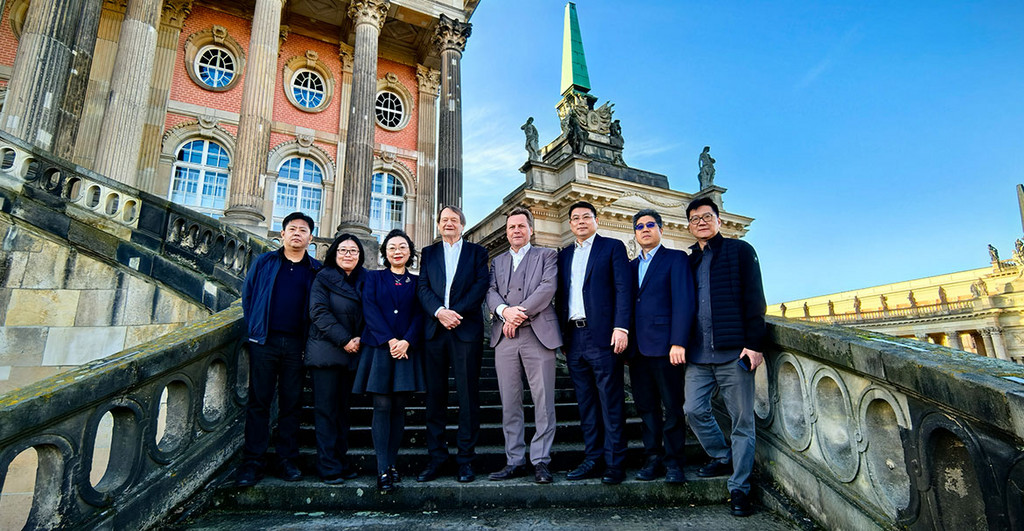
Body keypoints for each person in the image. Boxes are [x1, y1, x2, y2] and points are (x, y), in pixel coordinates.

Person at [682, 197, 766, 517]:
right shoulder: (689, 260)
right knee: (693, 409)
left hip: (734, 354)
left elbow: (754, 298)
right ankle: (721, 454)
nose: (701, 222)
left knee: (742, 422)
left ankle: (739, 487)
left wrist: (754, 344)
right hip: (698, 355)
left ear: (719, 220)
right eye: (695, 219)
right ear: (689, 226)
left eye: (707, 217)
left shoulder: (740, 250)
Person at [236, 212, 322, 487]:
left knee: (291, 404)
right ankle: (253, 463)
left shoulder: (316, 270)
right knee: (259, 402)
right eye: (292, 229)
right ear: (282, 234)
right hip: (265, 342)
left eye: (303, 230)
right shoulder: (265, 262)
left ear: (310, 238)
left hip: (297, 344)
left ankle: (287, 460)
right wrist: (255, 328)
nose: (297, 233)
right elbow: (248, 297)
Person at [556, 200, 632, 485]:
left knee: (610, 401)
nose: (581, 222)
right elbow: (560, 296)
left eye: (586, 217)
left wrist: (621, 327)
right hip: (573, 337)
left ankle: (615, 463)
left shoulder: (612, 247)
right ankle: (593, 459)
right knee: (586, 403)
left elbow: (623, 289)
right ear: (570, 224)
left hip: (603, 336)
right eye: (575, 218)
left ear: (596, 220)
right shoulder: (564, 255)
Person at [485, 207, 562, 484]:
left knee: (543, 401)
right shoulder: (497, 261)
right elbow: (490, 291)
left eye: (521, 226)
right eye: (511, 227)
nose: (516, 230)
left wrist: (518, 315)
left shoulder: (547, 255)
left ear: (531, 229)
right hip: (505, 338)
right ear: (506, 232)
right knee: (510, 401)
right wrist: (504, 312)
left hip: (538, 335)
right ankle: (514, 459)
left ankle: (541, 460)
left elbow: (547, 287)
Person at [416, 205, 489, 483]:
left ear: (462, 225)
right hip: (434, 331)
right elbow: (422, 287)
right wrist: (439, 312)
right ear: (438, 225)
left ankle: (466, 460)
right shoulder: (429, 253)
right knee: (435, 397)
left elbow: (480, 286)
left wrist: (453, 313)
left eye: (454, 220)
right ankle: (436, 458)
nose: (449, 223)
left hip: (465, 330)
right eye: (444, 219)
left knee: (467, 397)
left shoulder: (477, 252)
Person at [351, 229, 424, 493]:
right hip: (380, 348)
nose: (397, 251)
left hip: (406, 349)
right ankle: (382, 468)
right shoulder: (373, 278)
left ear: (410, 252)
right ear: (385, 252)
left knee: (399, 408)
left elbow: (420, 315)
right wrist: (390, 340)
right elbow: (369, 309)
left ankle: (392, 464)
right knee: (381, 406)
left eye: (402, 247)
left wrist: (407, 341)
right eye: (392, 247)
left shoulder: (417, 282)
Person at [629, 209, 695, 484]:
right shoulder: (630, 266)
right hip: (637, 350)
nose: (645, 229)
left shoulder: (676, 259)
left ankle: (674, 463)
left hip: (667, 348)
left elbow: (684, 301)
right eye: (640, 226)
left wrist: (678, 341)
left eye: (650, 225)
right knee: (646, 408)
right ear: (635, 233)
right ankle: (653, 459)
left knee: (672, 407)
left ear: (661, 229)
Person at [305, 234, 366, 484]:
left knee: (343, 413)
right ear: (334, 254)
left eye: (353, 251)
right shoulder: (323, 277)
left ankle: (341, 461)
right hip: (327, 353)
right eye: (343, 250)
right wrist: (345, 340)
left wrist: (362, 338)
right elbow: (318, 312)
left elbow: (373, 311)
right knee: (327, 412)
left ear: (360, 255)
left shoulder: (365, 279)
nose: (348, 254)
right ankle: (328, 466)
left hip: (354, 354)